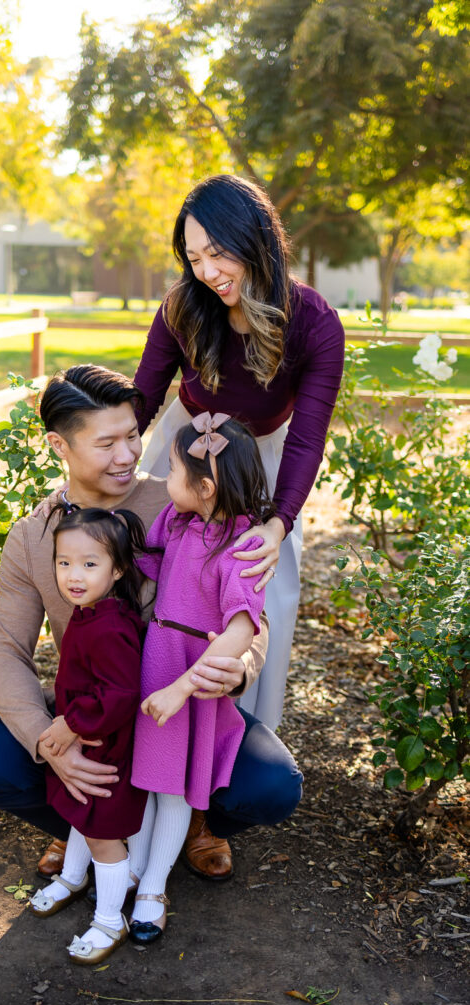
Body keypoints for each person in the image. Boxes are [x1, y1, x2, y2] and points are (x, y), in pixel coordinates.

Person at [0, 365, 302, 889]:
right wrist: (51, 744)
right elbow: (7, 651)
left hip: (182, 706)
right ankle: (85, 822)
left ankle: (193, 819)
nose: (129, 455)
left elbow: (251, 613)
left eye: (133, 435)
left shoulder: (186, 501)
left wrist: (239, 669)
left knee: (274, 787)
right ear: (59, 446)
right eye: (107, 443)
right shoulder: (31, 536)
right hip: (95, 713)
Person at [134, 173, 345, 734]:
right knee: (144, 570)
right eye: (194, 257)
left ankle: (237, 750)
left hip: (266, 458)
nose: (206, 272)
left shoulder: (315, 323)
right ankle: (141, 728)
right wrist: (105, 466)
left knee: (265, 591)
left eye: (218, 253)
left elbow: (307, 435)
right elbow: (143, 397)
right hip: (183, 446)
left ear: (255, 239)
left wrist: (278, 525)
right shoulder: (183, 306)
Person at [127, 412, 269, 944]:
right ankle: (132, 874)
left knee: (173, 792)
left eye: (171, 470)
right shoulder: (177, 520)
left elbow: (239, 629)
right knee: (146, 780)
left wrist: (184, 686)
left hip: (186, 673)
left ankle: (152, 889)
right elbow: (146, 559)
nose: (165, 480)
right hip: (156, 656)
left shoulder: (245, 547)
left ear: (205, 486)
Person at [29, 506, 147, 965]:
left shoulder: (113, 626)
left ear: (117, 569)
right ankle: (74, 877)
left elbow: (119, 694)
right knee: (80, 814)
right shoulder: (88, 612)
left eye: (89, 564)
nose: (73, 575)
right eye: (64, 562)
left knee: (103, 834)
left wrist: (73, 722)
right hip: (87, 739)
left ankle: (110, 918)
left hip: (106, 750)